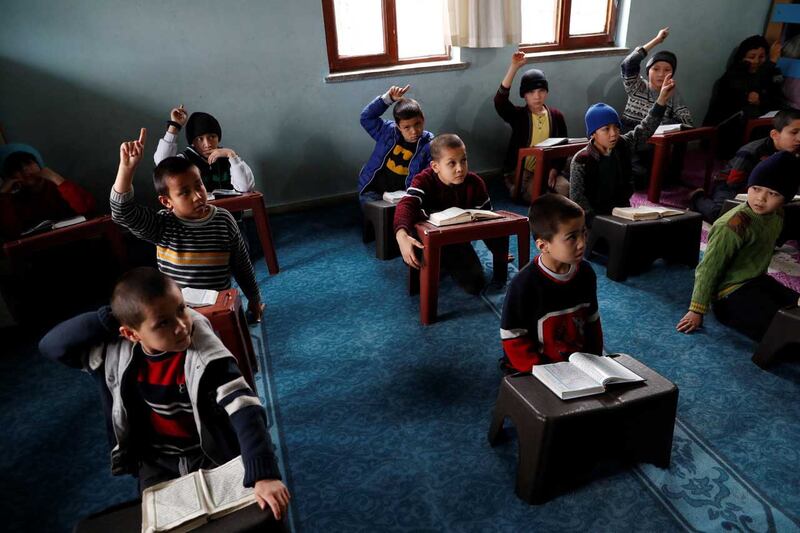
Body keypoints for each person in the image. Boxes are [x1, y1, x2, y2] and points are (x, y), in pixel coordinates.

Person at [38, 267, 290, 519]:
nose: (181, 326)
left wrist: (263, 473)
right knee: (168, 522)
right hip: (157, 460)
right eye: (163, 323)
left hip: (211, 451)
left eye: (181, 309)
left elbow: (243, 407)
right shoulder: (114, 355)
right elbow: (52, 346)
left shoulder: (205, 350)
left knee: (241, 516)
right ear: (131, 334)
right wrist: (110, 318)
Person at [111, 128, 264, 322]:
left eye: (198, 185)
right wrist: (127, 168)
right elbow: (122, 213)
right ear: (167, 202)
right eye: (184, 192)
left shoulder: (223, 219)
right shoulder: (163, 224)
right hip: (179, 309)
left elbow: (241, 265)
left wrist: (254, 298)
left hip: (218, 304)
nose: (198, 195)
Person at [677, 151, 800, 341]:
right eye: (756, 189)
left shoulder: (778, 215)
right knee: (778, 329)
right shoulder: (732, 225)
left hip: (757, 280)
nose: (761, 198)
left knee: (795, 304)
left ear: (786, 198)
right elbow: (708, 268)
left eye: (773, 193)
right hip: (730, 293)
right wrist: (696, 310)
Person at [499, 194, 603, 373]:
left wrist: (595, 362)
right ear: (543, 246)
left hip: (576, 364)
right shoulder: (523, 285)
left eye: (584, 233)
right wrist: (542, 371)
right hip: (534, 367)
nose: (582, 243)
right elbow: (512, 337)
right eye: (572, 237)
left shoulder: (586, 273)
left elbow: (592, 322)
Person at [393, 134, 502, 295]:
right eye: (451, 163)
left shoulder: (475, 183)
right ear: (435, 167)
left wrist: (498, 252)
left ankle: (447, 262)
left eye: (463, 161)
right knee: (421, 282)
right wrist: (401, 236)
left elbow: (487, 219)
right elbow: (406, 205)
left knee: (476, 284)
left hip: (456, 241)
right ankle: (436, 263)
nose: (460, 168)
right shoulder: (423, 180)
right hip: (425, 242)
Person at [570, 74, 677, 226]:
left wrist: (662, 100)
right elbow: (578, 201)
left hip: (623, 212)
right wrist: (597, 223)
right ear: (593, 134)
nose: (613, 134)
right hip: (594, 219)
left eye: (616, 128)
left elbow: (645, 128)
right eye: (606, 129)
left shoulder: (623, 145)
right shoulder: (581, 160)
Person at [691, 108, 800, 222]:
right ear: (775, 134)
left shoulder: (796, 151)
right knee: (723, 215)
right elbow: (734, 182)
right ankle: (697, 197)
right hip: (732, 186)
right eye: (794, 132)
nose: (799, 138)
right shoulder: (751, 151)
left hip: (772, 189)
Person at [620, 27, 693, 188]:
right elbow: (628, 64)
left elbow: (686, 119)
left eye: (667, 70)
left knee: (663, 175)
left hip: (656, 142)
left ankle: (670, 177)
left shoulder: (672, 93)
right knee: (638, 178)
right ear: (648, 71)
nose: (661, 74)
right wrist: (657, 40)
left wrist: (665, 124)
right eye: (656, 69)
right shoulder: (638, 86)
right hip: (633, 138)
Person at [494, 51, 569, 200]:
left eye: (541, 91)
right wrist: (514, 67)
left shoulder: (556, 116)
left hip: (547, 168)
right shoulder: (519, 116)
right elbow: (500, 102)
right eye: (531, 92)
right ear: (524, 95)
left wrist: (554, 170)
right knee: (536, 195)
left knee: (565, 189)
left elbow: (562, 148)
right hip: (523, 171)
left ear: (546, 92)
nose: (537, 96)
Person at [704, 35, 785, 158]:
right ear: (742, 57)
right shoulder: (734, 73)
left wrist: (761, 101)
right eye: (751, 57)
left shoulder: (769, 72)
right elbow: (747, 96)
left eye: (762, 57)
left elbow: (776, 97)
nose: (756, 61)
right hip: (727, 128)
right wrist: (771, 63)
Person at [357, 85, 434, 209]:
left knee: (402, 222)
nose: (413, 131)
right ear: (398, 126)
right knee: (376, 223)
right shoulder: (387, 132)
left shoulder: (429, 145)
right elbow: (366, 118)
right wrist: (387, 99)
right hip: (375, 190)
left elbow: (429, 173)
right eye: (407, 127)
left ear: (423, 120)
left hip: (403, 195)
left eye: (417, 124)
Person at [154, 106, 255, 192]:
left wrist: (233, 155)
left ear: (218, 138)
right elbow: (162, 164)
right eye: (199, 139)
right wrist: (174, 126)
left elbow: (246, 187)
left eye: (212, 137)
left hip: (229, 213)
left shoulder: (228, 157)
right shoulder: (185, 159)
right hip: (199, 213)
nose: (207, 144)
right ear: (192, 142)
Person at [0, 149, 95, 240]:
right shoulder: (13, 200)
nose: (24, 169)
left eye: (28, 163)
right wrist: (3, 194)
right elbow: (10, 233)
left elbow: (86, 209)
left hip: (76, 238)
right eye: (17, 168)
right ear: (10, 177)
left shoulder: (60, 186)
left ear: (39, 165)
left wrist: (57, 179)